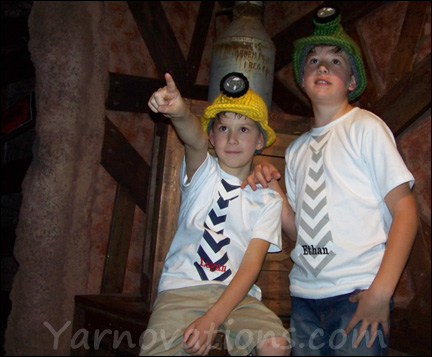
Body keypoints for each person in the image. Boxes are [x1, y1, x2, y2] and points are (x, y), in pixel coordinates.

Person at [242, 6, 418, 356]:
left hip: (358, 295)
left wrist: (381, 292)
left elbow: (406, 211)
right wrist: (273, 191)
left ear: (352, 82)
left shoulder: (366, 127)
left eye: (335, 62)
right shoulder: (295, 152)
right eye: (313, 61)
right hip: (305, 297)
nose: (322, 66)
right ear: (302, 78)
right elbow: (299, 229)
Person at [140, 71, 291, 356]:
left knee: (276, 343)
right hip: (181, 291)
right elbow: (193, 139)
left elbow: (250, 268)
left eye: (244, 129)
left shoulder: (268, 199)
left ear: (260, 141)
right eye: (223, 128)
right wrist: (179, 111)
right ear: (211, 135)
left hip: (238, 297)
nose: (232, 139)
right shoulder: (203, 173)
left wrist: (212, 319)